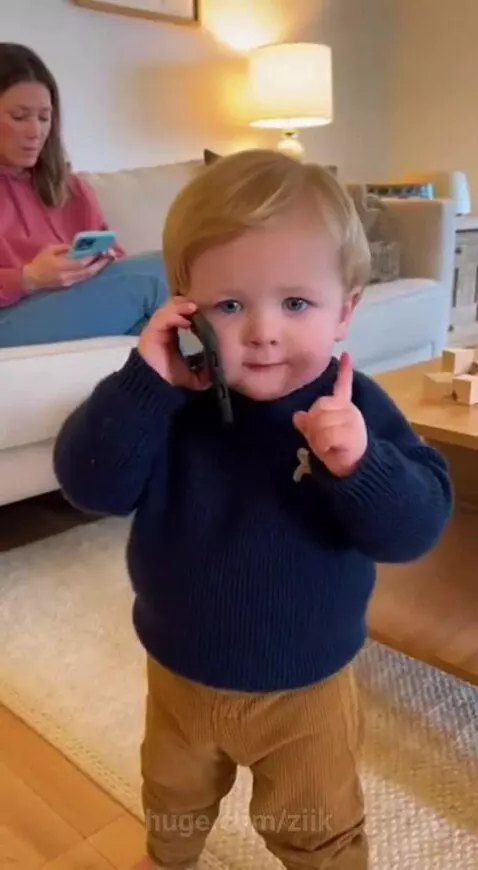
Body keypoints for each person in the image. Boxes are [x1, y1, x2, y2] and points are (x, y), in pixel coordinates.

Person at [53, 149, 453, 870]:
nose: (263, 330)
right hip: (179, 676)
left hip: (306, 689)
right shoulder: (166, 401)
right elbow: (92, 485)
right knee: (173, 802)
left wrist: (362, 466)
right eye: (231, 305)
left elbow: (417, 527)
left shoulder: (354, 410)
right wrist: (145, 381)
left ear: (345, 311)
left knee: (314, 826)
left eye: (296, 303)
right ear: (186, 310)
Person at [0, 43, 168, 348]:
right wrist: (29, 277)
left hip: (71, 307)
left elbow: (116, 254)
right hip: (8, 319)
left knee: (159, 323)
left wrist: (102, 261)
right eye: (20, 116)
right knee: (159, 271)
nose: (35, 131)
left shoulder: (71, 188)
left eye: (44, 117)